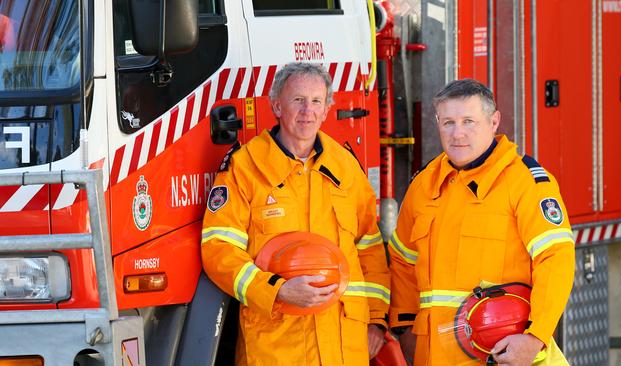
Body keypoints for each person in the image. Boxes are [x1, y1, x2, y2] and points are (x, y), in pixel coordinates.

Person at [201, 62, 390, 365]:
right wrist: (276, 291)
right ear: (277, 105)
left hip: (345, 345)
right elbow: (218, 251)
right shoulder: (246, 168)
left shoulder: (346, 168)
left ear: (327, 109)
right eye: (298, 100)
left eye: (317, 101)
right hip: (277, 347)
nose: (308, 111)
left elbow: (369, 249)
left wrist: (377, 321)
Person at [388, 79, 575, 365]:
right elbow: (402, 263)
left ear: (494, 121)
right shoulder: (424, 185)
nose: (458, 133)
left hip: (498, 355)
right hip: (432, 356)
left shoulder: (525, 182)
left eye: (469, 121)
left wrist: (535, 337)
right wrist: (403, 330)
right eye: (448, 122)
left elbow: (556, 259)